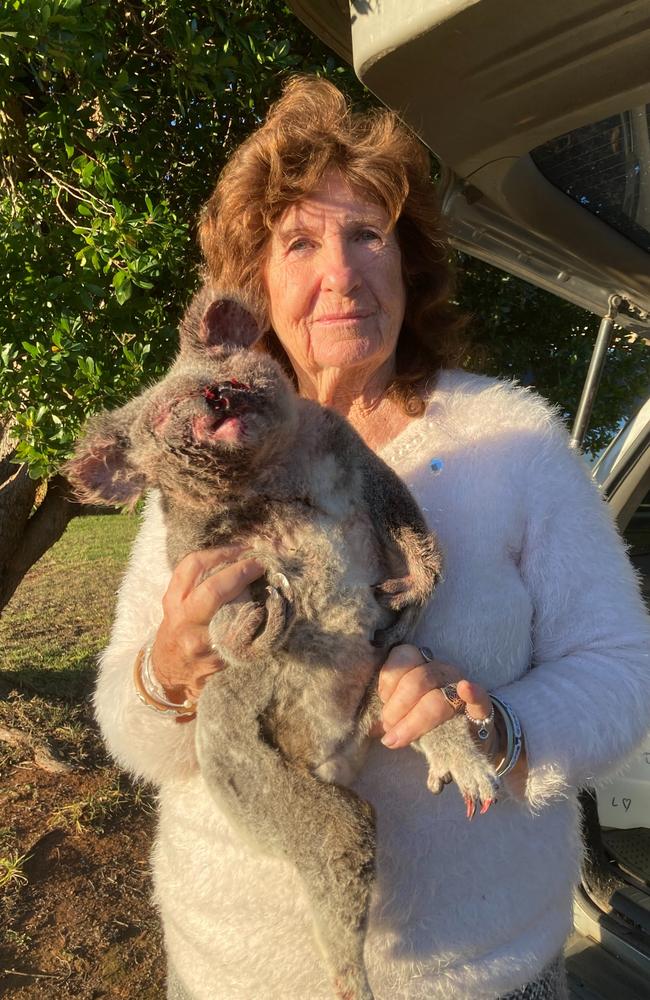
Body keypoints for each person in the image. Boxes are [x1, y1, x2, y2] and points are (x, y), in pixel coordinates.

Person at [95, 76, 650, 1000]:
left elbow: (623, 666)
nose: (341, 273)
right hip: (232, 974)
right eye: (300, 243)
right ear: (256, 289)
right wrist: (169, 667)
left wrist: (501, 729)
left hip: (477, 974)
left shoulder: (512, 443)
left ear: (411, 264)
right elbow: (129, 718)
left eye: (368, 235)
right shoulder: (204, 453)